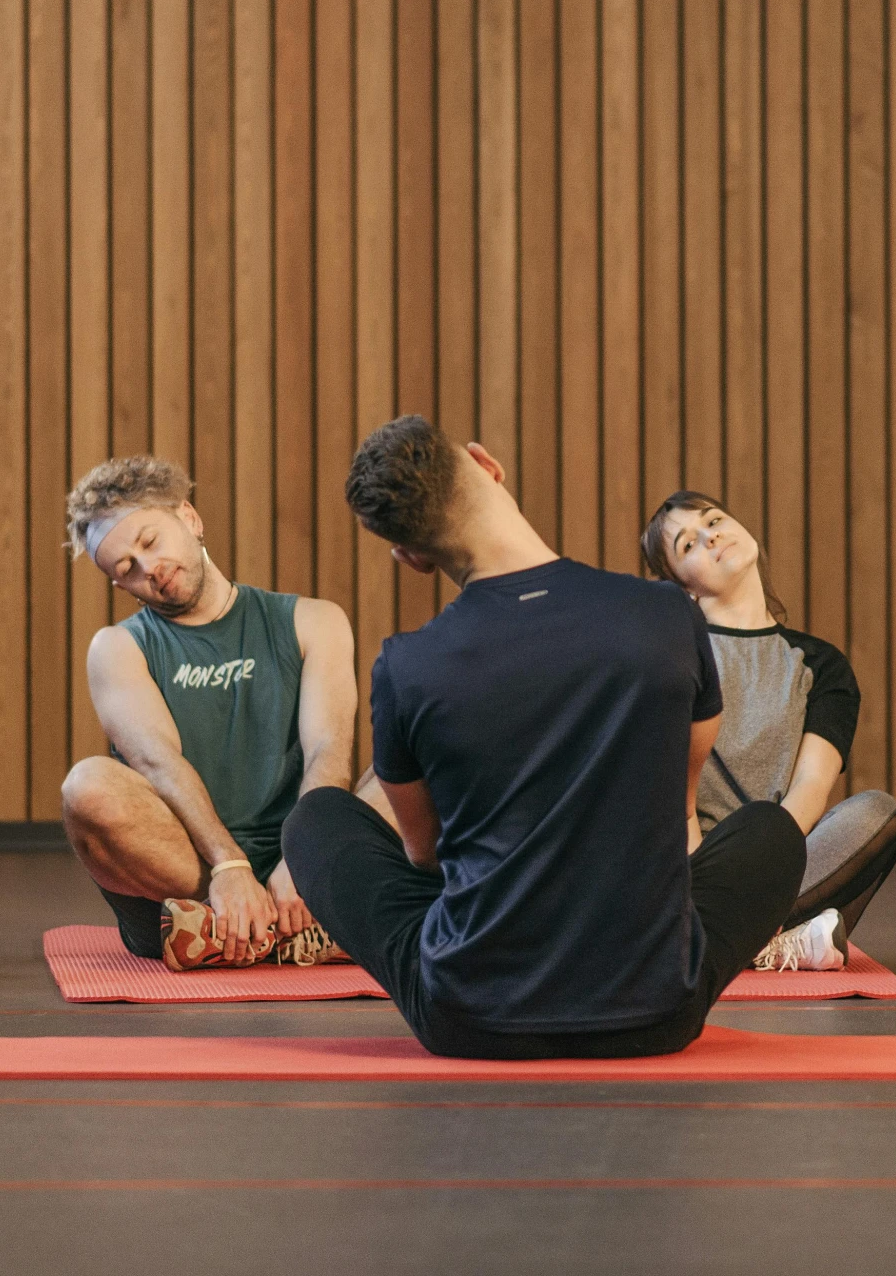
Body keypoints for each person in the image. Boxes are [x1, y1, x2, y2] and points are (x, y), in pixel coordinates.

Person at [281, 415, 806, 1059]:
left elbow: (428, 856)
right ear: (487, 464)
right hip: (656, 1010)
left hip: (472, 1019)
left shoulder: (406, 666)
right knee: (770, 831)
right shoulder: (665, 613)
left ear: (410, 557)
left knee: (316, 820)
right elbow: (675, 799)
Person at [60, 455, 383, 969]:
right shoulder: (117, 648)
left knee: (426, 755)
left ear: (189, 517)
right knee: (86, 787)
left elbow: (328, 748)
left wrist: (307, 857)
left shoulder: (315, 621)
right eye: (127, 570)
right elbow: (157, 762)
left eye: (149, 542)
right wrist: (229, 866)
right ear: (120, 586)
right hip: (187, 869)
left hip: (297, 854)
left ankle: (225, 932)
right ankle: (306, 925)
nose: (150, 570)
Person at [641, 491, 896, 971]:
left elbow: (811, 785)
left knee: (877, 814)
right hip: (685, 856)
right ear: (685, 589)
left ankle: (726, 935)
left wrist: (766, 866)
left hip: (778, 855)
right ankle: (769, 939)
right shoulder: (670, 655)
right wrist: (705, 871)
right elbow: (665, 790)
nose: (711, 535)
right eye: (688, 545)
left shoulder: (821, 664)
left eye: (715, 519)